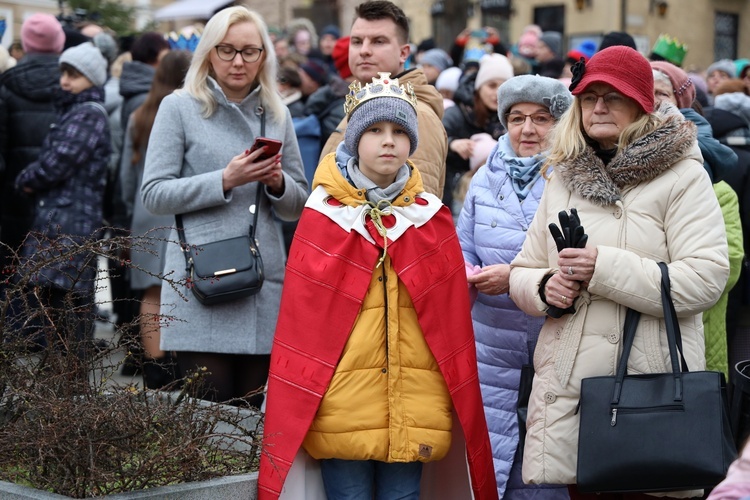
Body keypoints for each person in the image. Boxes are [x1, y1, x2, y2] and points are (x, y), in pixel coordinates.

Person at [259, 72, 497, 500]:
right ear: (353, 140)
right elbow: (304, 325)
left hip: (414, 402)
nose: (388, 141)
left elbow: (448, 324)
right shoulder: (323, 215)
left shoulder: (430, 217)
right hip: (341, 402)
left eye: (398, 131)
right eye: (374, 130)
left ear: (411, 142)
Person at [508, 45, 729, 499]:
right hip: (572, 390)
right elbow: (523, 270)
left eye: (614, 96)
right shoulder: (564, 176)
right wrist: (547, 288)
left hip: (649, 395)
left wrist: (601, 266)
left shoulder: (683, 175)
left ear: (642, 105)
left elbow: (706, 278)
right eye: (589, 98)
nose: (599, 107)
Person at [140, 6, 309, 407]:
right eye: (227, 50)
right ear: (209, 53)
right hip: (200, 279)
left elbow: (298, 203)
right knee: (208, 421)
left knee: (250, 421)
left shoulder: (277, 112)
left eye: (250, 51)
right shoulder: (179, 107)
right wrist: (224, 180)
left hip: (259, 282)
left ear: (264, 55)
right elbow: (154, 193)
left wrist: (277, 182)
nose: (238, 61)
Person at [457, 74, 573, 499]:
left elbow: (584, 258)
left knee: (547, 458)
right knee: (494, 451)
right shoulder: (485, 179)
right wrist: (471, 273)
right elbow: (463, 245)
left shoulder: (577, 177)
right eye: (517, 118)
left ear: (560, 123)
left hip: (554, 336)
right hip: (493, 340)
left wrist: (516, 277)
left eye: (541, 118)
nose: (528, 129)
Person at [14, 42, 110, 369]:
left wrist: (26, 179)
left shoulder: (87, 114)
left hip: (72, 223)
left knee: (68, 308)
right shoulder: (76, 110)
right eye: (64, 73)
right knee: (59, 306)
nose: (65, 81)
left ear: (92, 79)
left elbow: (57, 161)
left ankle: (69, 392)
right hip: (67, 219)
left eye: (74, 75)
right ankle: (64, 392)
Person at [651, 60, 742, 378]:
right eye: (645, 94)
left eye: (662, 93)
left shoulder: (718, 187)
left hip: (698, 330)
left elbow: (726, 267)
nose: (654, 102)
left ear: (681, 103)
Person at [320, 0, 447, 199]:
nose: (364, 50)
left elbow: (414, 211)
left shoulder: (414, 113)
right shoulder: (364, 101)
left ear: (404, 53)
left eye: (378, 41)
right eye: (357, 41)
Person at [120, 50, 192, 390]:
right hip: (180, 209)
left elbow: (125, 177)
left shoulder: (140, 115)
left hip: (145, 211)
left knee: (151, 290)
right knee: (181, 287)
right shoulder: (190, 113)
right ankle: (180, 361)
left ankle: (154, 366)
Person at [0, 13, 65, 287]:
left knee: (14, 291)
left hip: (14, 202)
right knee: (63, 291)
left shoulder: (6, 87)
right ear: (59, 43)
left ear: (25, 44)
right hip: (65, 204)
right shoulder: (74, 84)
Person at [443, 53, 513, 213]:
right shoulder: (457, 113)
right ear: (478, 86)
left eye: (503, 87)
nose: (497, 93)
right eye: (491, 85)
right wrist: (452, 144)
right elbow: (434, 142)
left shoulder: (513, 116)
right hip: (455, 196)